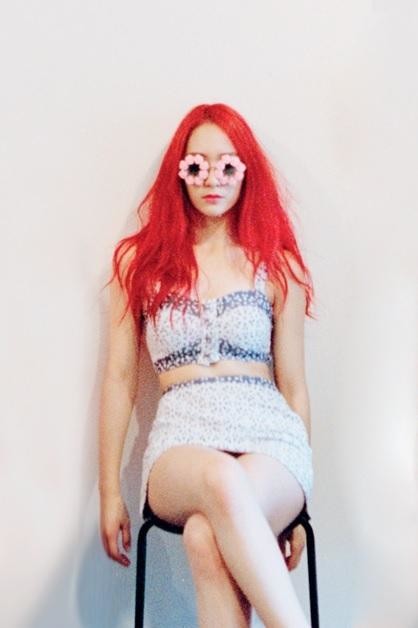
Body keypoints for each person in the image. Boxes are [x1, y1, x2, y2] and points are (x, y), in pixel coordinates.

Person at [99, 102, 316, 627]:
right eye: (197, 165)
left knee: (204, 536)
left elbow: (294, 387)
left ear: (246, 172)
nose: (212, 179)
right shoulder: (138, 263)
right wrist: (109, 492)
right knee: (221, 478)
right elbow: (121, 380)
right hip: (181, 442)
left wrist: (300, 508)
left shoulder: (278, 266)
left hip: (270, 439)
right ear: (179, 172)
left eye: (227, 166)